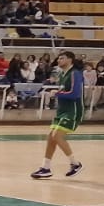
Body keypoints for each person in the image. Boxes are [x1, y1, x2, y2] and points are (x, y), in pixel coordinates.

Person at [33, 51, 86, 179]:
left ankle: (75, 163)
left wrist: (56, 93)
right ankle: (46, 167)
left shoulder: (75, 74)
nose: (58, 60)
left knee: (57, 136)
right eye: (58, 58)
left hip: (73, 110)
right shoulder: (62, 74)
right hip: (62, 110)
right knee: (51, 137)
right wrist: (59, 91)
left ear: (70, 60)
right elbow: (66, 91)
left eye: (62, 58)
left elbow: (75, 94)